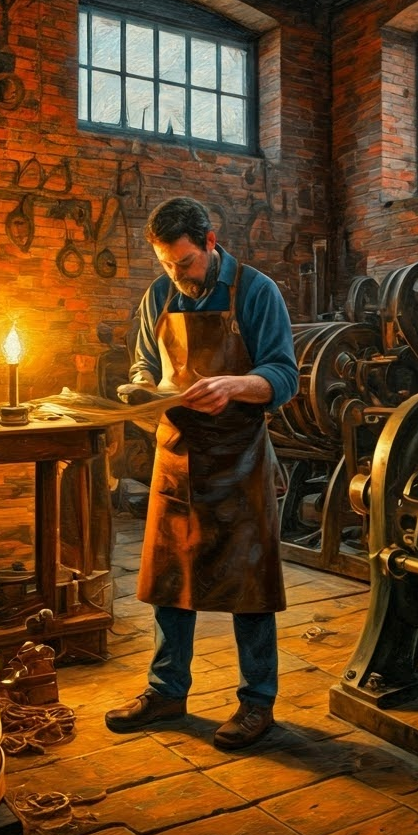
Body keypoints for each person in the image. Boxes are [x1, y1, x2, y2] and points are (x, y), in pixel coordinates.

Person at [106, 196, 298, 751]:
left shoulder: (257, 292)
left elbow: (283, 376)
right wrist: (141, 387)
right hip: (177, 452)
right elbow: (143, 360)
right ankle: (167, 692)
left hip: (238, 458)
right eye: (166, 264)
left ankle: (257, 702)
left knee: (250, 585)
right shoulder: (158, 295)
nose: (176, 274)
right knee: (170, 579)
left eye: (184, 262)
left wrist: (234, 385)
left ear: (211, 243)